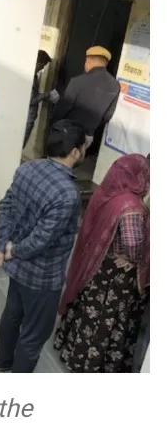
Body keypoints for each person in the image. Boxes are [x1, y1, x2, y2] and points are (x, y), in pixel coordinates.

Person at [0, 120, 88, 373]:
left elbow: (6, 207)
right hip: (42, 277)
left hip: (17, 269)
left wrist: (3, 246)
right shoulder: (67, 193)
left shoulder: (27, 168)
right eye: (84, 147)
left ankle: (2, 362)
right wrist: (12, 251)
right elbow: (41, 240)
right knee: (34, 335)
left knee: (13, 315)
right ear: (75, 152)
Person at [54, 153, 149, 373]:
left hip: (98, 266)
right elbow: (133, 244)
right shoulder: (132, 206)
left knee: (88, 311)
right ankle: (92, 365)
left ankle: (72, 353)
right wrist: (138, 258)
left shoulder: (110, 195)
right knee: (107, 318)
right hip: (116, 277)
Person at [51, 46, 120, 147]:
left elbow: (63, 107)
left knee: (58, 155)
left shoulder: (77, 81)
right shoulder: (115, 85)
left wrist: (53, 124)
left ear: (88, 60)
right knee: (77, 157)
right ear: (106, 63)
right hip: (88, 135)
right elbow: (108, 116)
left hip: (68, 133)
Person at [24, 50, 59, 148]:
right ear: (36, 62)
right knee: (20, 145)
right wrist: (46, 95)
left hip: (28, 116)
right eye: (42, 65)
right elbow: (31, 100)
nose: (42, 68)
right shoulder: (30, 77)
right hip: (27, 117)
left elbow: (31, 95)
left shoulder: (33, 75)